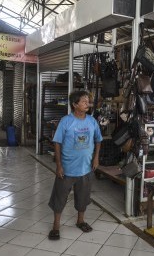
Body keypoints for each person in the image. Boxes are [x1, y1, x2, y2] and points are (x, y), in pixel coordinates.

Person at [48, 90, 102, 240]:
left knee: (83, 197)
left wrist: (96, 158)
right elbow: (57, 143)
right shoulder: (66, 121)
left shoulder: (92, 121)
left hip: (86, 168)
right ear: (75, 104)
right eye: (84, 101)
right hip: (67, 168)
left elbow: (98, 140)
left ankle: (80, 221)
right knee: (59, 197)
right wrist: (58, 165)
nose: (87, 104)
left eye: (88, 101)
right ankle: (56, 226)